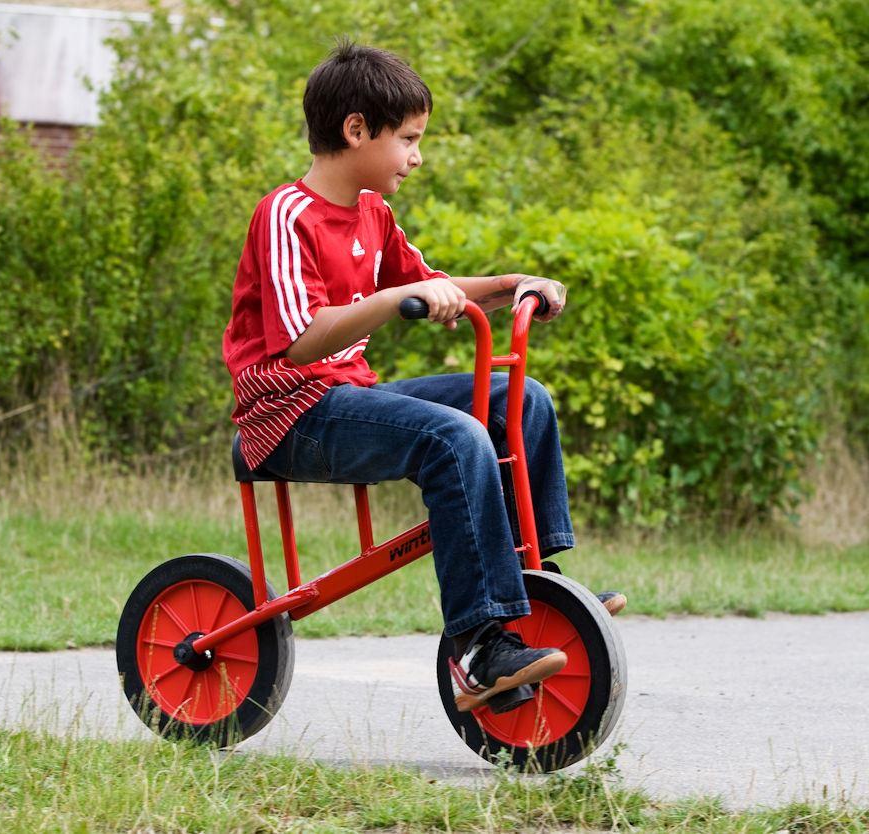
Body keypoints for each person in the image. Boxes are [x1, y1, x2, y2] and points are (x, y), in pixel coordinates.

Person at [222, 41, 626, 714]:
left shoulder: (373, 214)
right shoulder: (286, 214)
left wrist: (512, 283)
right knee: (454, 437)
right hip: (290, 417)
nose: (417, 156)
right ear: (357, 130)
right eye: (408, 139)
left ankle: (534, 585)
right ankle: (477, 648)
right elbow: (300, 341)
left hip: (347, 396)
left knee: (523, 399)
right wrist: (389, 301)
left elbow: (430, 284)